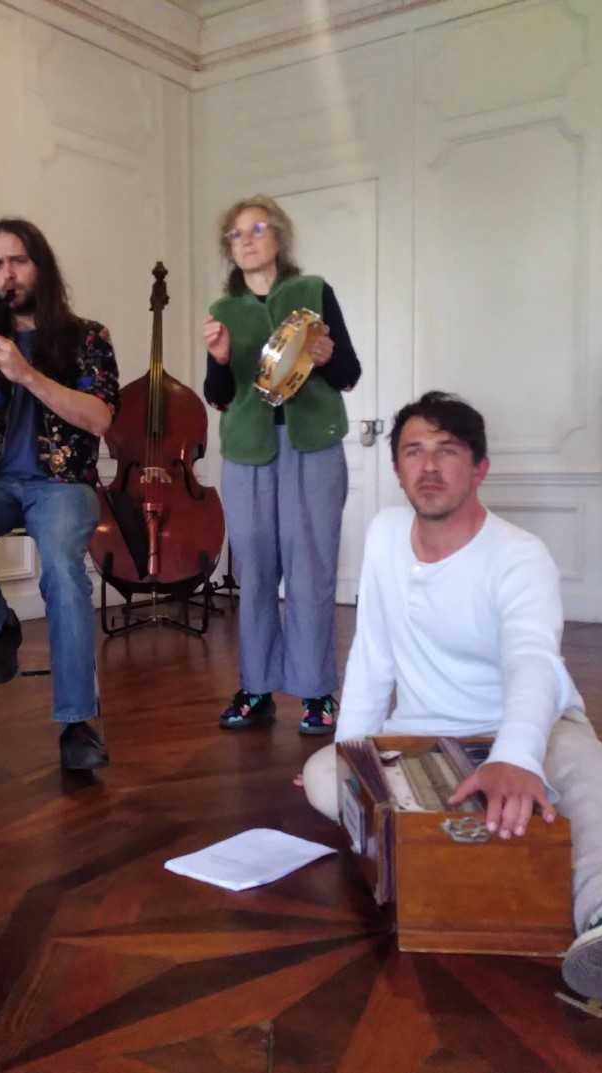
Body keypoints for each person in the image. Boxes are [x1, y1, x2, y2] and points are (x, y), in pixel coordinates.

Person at [300, 391, 602, 1000]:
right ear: (398, 469)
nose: (428, 467)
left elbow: (532, 661)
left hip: (530, 722)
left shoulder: (519, 556)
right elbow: (373, 655)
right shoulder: (384, 535)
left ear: (479, 468)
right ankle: (489, 844)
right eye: (413, 451)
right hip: (422, 730)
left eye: (447, 451)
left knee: (588, 774)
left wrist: (515, 756)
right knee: (323, 777)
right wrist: (351, 751)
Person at [0, 218, 120, 771]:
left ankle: (76, 725)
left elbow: (100, 417)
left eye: (18, 261)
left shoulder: (87, 338)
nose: (7, 273)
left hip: (63, 484)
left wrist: (25, 372)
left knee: (62, 570)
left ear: (40, 266)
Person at [203, 194, 361, 736]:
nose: (246, 240)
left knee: (311, 566)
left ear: (279, 236)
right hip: (247, 451)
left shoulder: (313, 292)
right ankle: (256, 688)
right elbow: (218, 395)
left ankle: (317, 693)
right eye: (236, 233)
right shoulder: (223, 311)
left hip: (312, 445)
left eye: (257, 228)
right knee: (254, 571)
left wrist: (327, 357)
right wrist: (220, 360)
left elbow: (348, 374)